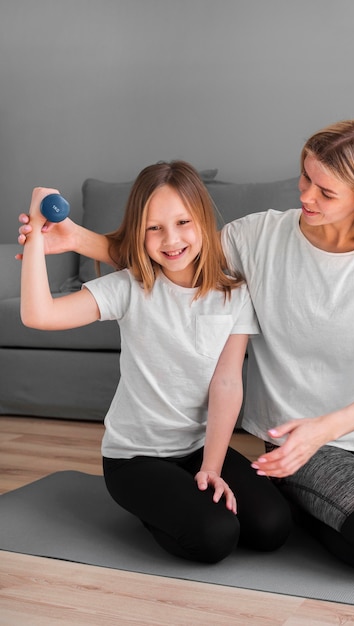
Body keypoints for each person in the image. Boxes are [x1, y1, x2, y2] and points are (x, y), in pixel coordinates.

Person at [18, 121, 354, 579]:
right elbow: (174, 256)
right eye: (305, 177)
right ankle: (313, 500)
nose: (307, 196)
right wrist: (76, 239)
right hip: (296, 437)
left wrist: (324, 429)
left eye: (326, 192)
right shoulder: (257, 238)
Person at [19, 160, 291, 564]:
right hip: (135, 459)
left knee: (272, 526)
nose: (171, 239)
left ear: (202, 219)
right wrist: (36, 242)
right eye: (154, 228)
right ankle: (152, 509)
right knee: (215, 538)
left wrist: (212, 467)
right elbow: (39, 316)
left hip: (197, 449)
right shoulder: (129, 287)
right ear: (138, 233)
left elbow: (227, 383)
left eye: (183, 222)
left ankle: (185, 493)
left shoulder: (233, 291)